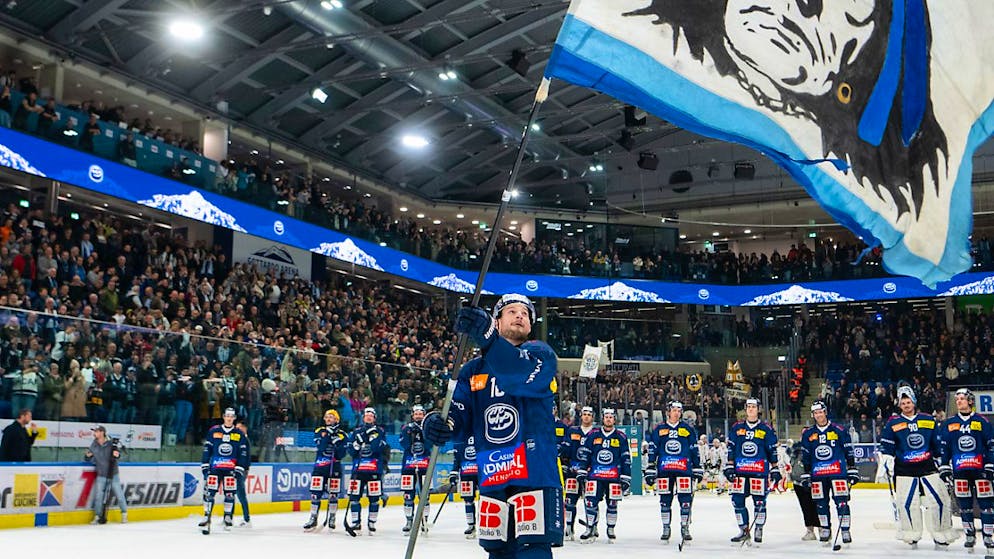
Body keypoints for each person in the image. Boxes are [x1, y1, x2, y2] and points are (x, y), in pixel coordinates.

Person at [422, 293, 563, 559]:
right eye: (511, 311)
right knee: (497, 552)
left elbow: (517, 375)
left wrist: (487, 337)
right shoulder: (472, 371)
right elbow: (459, 415)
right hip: (494, 472)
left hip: (535, 472)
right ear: (497, 322)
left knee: (534, 550)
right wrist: (439, 423)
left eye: (525, 313)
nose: (520, 315)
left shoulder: (541, 355)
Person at [878, 385, 957, 549]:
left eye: (908, 401)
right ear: (899, 405)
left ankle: (941, 533)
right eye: (903, 402)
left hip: (928, 467)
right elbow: (886, 448)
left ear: (913, 402)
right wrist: (886, 460)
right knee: (907, 504)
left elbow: (937, 444)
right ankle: (910, 534)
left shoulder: (928, 420)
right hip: (904, 470)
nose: (906, 405)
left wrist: (942, 462)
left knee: (939, 501)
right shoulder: (893, 423)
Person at [938, 388, 994, 554]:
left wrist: (991, 465)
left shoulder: (982, 422)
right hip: (960, 470)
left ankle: (988, 536)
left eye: (962, 399)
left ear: (970, 401)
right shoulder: (949, 424)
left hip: (981, 470)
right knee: (964, 506)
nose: (959, 402)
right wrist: (944, 466)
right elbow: (944, 448)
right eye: (957, 400)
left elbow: (991, 445)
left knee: (987, 505)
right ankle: (969, 535)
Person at [798, 401, 858, 545]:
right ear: (813, 415)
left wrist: (852, 468)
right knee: (820, 503)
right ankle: (825, 528)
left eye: (820, 412)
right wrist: (806, 472)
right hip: (818, 475)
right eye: (815, 413)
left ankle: (845, 530)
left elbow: (848, 450)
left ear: (825, 412)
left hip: (838, 473)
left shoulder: (839, 430)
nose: (818, 415)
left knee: (842, 502)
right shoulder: (808, 434)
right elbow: (806, 455)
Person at [644, 401, 702, 543]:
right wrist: (651, 465)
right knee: (665, 501)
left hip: (684, 470)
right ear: (668, 411)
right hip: (664, 470)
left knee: (685, 500)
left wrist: (697, 466)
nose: (676, 412)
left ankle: (684, 527)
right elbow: (653, 448)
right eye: (674, 409)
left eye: (679, 410)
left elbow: (694, 449)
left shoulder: (688, 429)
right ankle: (666, 527)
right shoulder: (660, 429)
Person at [725, 398, 780, 544]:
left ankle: (759, 528)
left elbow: (772, 451)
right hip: (740, 472)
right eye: (748, 406)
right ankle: (744, 529)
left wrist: (775, 468)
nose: (750, 409)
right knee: (737, 501)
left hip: (759, 473)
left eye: (753, 407)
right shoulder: (737, 428)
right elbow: (731, 448)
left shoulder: (766, 429)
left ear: (758, 409)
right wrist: (729, 466)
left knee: (760, 502)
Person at [575, 408, 630, 543]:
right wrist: (582, 470)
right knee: (590, 501)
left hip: (613, 477)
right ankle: (590, 527)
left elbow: (625, 458)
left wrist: (626, 476)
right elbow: (586, 454)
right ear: (603, 418)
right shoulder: (593, 434)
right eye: (606, 417)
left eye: (611, 417)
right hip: (595, 475)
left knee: (612, 504)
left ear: (615, 419)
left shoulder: (621, 436)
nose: (609, 419)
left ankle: (610, 529)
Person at [198, 407, 249, 534]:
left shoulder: (239, 434)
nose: (229, 418)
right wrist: (205, 465)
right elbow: (207, 449)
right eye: (227, 416)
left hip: (230, 469)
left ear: (234, 418)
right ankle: (206, 515)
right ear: (223, 416)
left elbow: (243, 453)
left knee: (230, 494)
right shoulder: (214, 431)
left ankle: (227, 516)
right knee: (209, 493)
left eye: (232, 416)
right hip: (215, 468)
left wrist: (240, 468)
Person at [345, 406, 389, 536]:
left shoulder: (380, 431)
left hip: (373, 469)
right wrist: (357, 444)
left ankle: (371, 522)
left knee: (374, 498)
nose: (368, 416)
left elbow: (377, 448)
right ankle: (356, 522)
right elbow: (352, 451)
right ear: (363, 417)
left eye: (371, 415)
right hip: (358, 469)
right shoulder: (356, 431)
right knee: (354, 497)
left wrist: (367, 439)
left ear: (374, 418)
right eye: (366, 414)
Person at [304, 409, 348, 531]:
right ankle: (313, 518)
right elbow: (321, 447)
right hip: (320, 466)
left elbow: (341, 454)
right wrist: (328, 436)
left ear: (336, 420)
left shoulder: (343, 434)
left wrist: (337, 442)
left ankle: (332, 517)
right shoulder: (319, 431)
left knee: (333, 494)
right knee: (315, 493)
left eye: (331, 417)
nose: (328, 419)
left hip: (335, 466)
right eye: (327, 417)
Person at [560, 405, 597, 540]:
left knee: (590, 501)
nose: (586, 416)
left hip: (591, 472)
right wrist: (564, 462)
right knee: (569, 500)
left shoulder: (597, 432)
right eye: (584, 414)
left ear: (593, 417)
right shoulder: (572, 430)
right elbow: (566, 449)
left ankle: (592, 527)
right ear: (580, 416)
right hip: (573, 471)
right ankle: (569, 528)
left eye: (589, 414)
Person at [84, 425, 127, 524]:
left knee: (119, 494)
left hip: (113, 474)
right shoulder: (94, 444)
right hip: (101, 474)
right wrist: (87, 456)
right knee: (99, 496)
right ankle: (97, 516)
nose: (94, 433)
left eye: (96, 431)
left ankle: (124, 514)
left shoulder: (111, 443)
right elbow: (88, 457)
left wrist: (117, 455)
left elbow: (118, 454)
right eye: (94, 431)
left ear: (102, 432)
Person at [401, 404, 432, 533]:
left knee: (425, 496)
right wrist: (410, 434)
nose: (418, 416)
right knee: (408, 495)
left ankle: (424, 520)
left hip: (425, 465)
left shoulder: (429, 428)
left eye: (420, 413)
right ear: (412, 416)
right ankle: (409, 521)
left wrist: (423, 432)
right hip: (409, 465)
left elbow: (431, 445)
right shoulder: (406, 428)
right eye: (416, 414)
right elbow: (404, 444)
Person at [789, 439, 820, 541]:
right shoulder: (795, 451)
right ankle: (810, 530)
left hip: (811, 482)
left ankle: (822, 528)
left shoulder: (813, 449)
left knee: (816, 505)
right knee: (805, 507)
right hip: (797, 483)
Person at [452, 434, 480, 538]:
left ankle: (484, 524)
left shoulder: (481, 432)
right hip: (466, 474)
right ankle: (471, 525)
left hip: (483, 473)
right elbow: (456, 460)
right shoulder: (459, 439)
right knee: (468, 501)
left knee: (486, 499)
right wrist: (454, 474)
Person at [234, 418, 252, 527]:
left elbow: (247, 458)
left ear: (245, 429)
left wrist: (245, 470)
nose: (237, 430)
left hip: (241, 470)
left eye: (240, 428)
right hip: (235, 468)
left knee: (240, 494)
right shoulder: (238, 439)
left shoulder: (244, 440)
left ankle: (247, 518)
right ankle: (228, 517)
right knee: (232, 493)